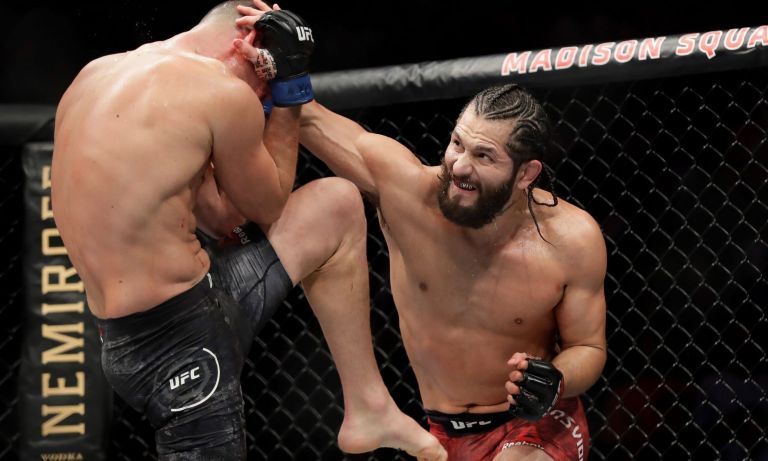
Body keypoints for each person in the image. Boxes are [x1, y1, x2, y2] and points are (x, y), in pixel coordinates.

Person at [51, 1, 447, 459]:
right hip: (183, 344)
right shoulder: (220, 91)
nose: (261, 98)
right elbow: (270, 203)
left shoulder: (96, 75)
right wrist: (289, 91)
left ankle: (370, 406)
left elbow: (221, 216)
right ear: (249, 45)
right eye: (265, 81)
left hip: (122, 338)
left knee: (335, 205)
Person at [236, 6, 607, 460]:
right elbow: (308, 116)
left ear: (527, 174)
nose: (460, 166)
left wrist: (555, 379)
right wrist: (277, 57)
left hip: (535, 424)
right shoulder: (407, 193)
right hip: (440, 429)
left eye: (485, 157)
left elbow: (587, 346)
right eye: (457, 143)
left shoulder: (571, 239)